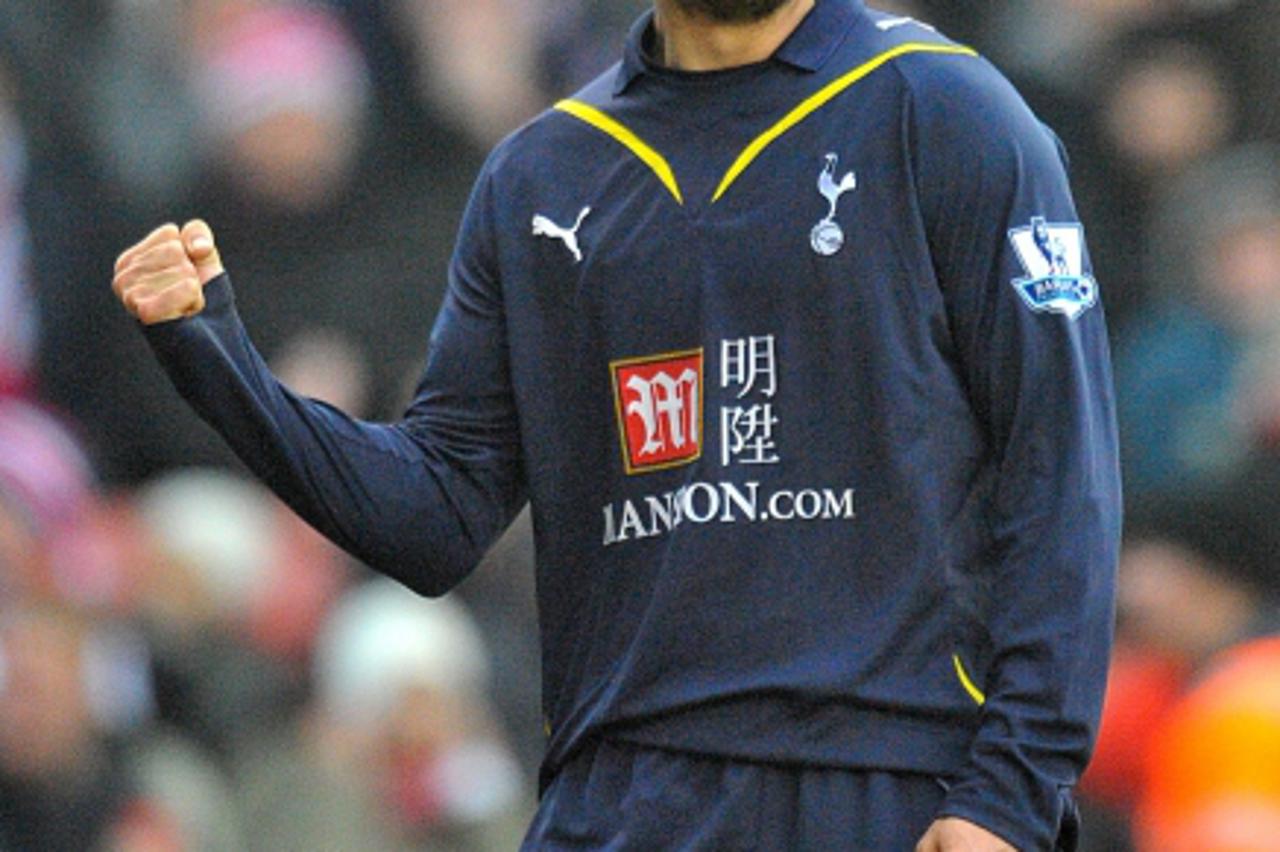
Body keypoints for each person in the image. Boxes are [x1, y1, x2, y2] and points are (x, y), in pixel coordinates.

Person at [110, 0, 1120, 848]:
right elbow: (433, 516)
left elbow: (1059, 471)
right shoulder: (542, 175)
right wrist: (217, 357)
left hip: (884, 780)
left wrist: (1009, 792)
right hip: (621, 797)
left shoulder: (943, 110)